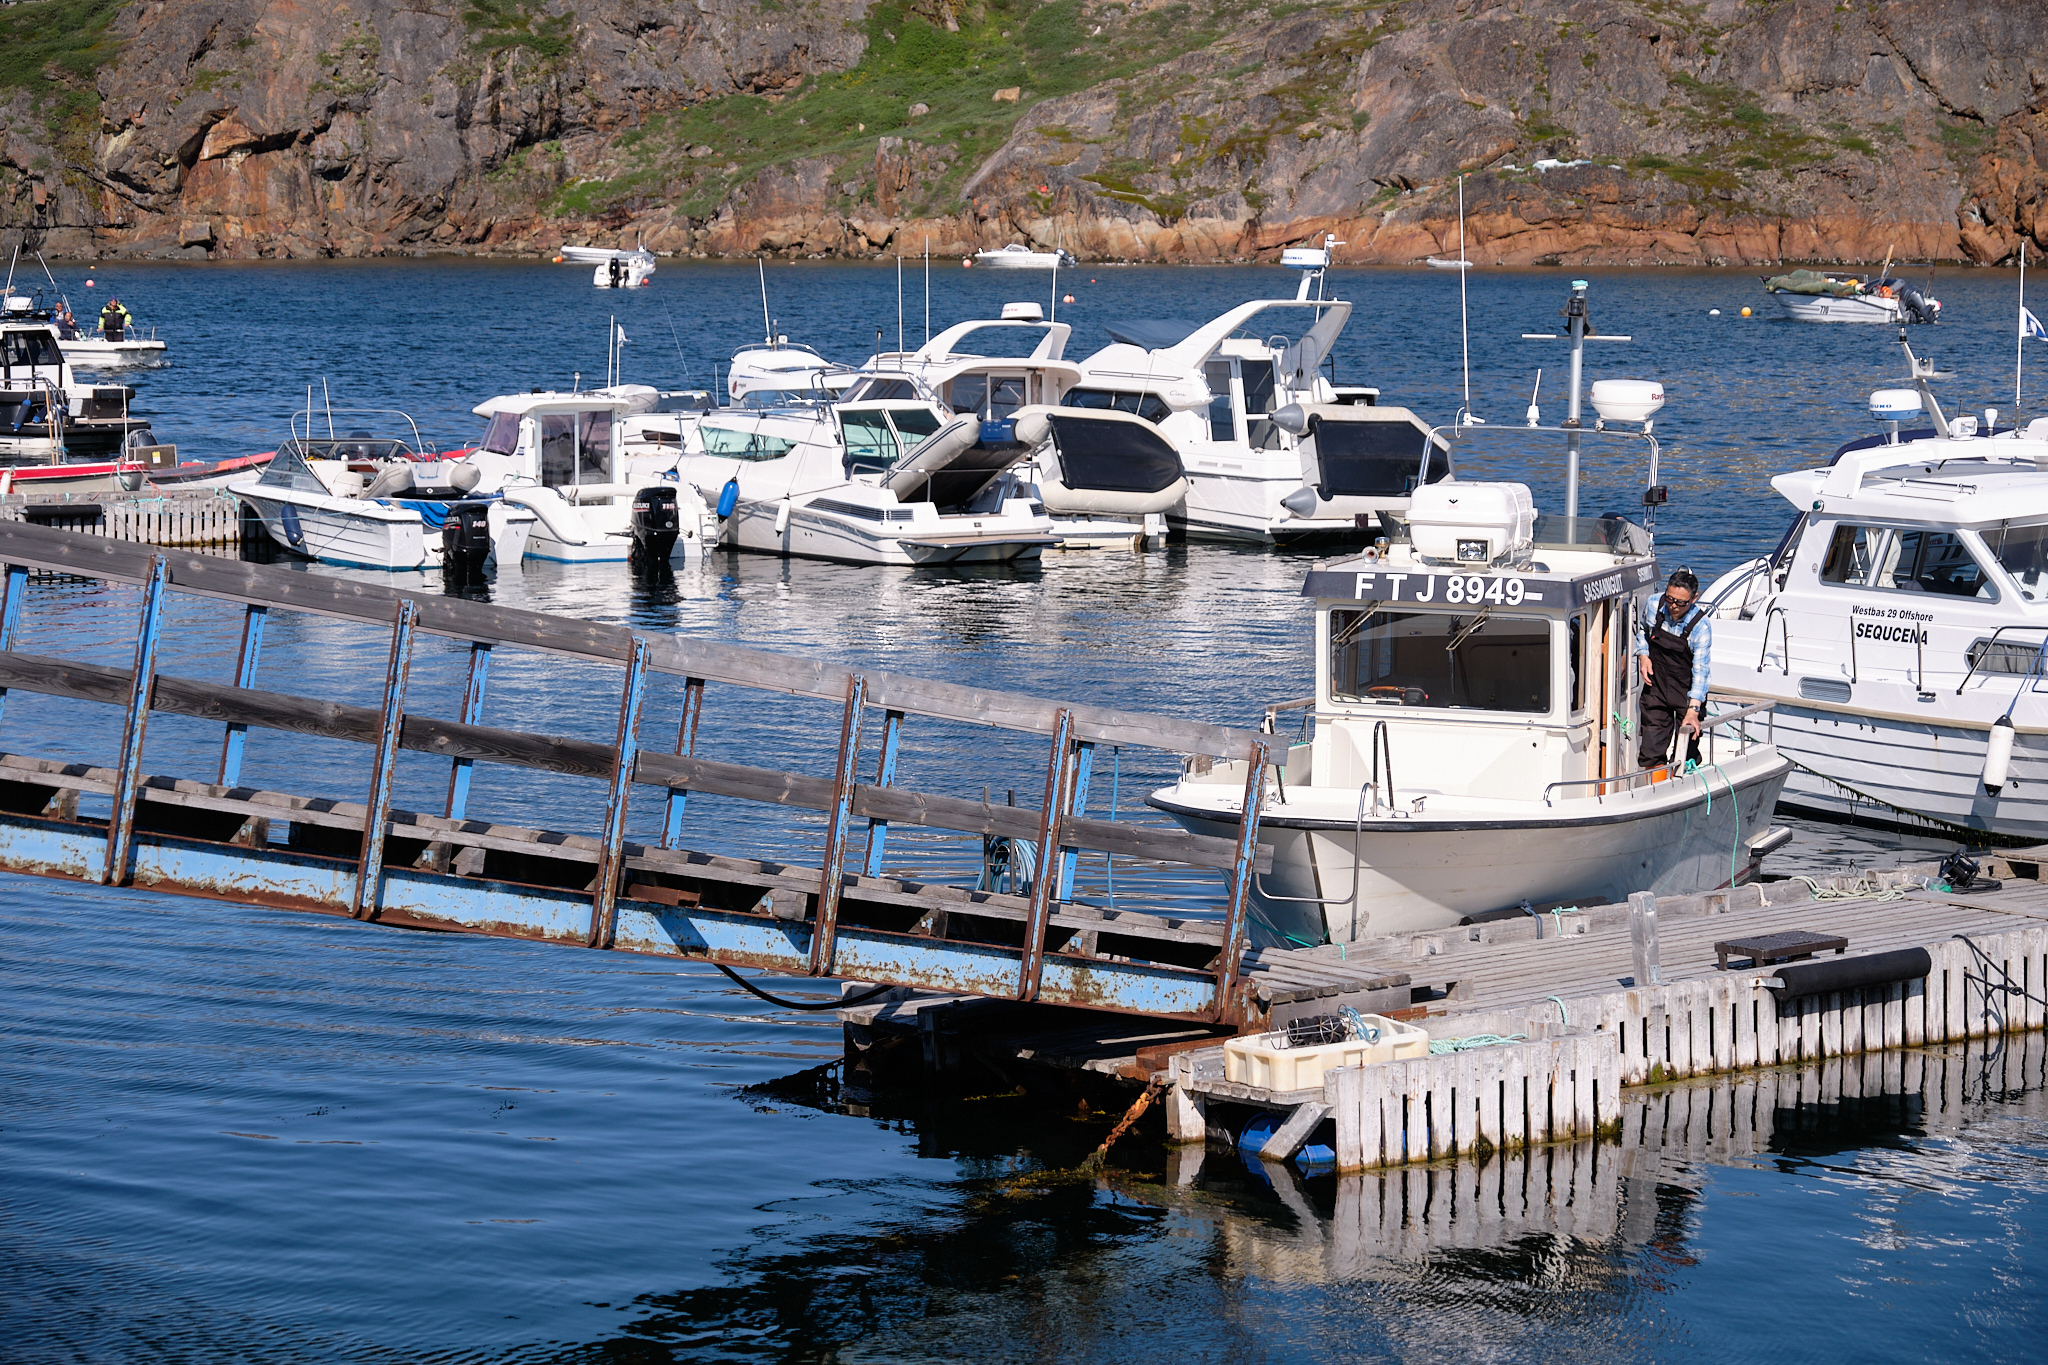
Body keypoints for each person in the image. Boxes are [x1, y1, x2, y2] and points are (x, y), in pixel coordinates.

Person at [1634, 568, 1711, 770]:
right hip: (1656, 688)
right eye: (1670, 599)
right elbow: (1642, 630)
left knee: (1685, 754)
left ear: (1694, 598)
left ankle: (1682, 786)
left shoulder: (1701, 626)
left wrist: (1693, 710)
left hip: (1685, 692)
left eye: (1680, 603)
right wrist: (1643, 655)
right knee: (1651, 751)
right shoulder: (1654, 604)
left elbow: (1701, 671)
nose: (1673, 606)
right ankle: (1654, 791)